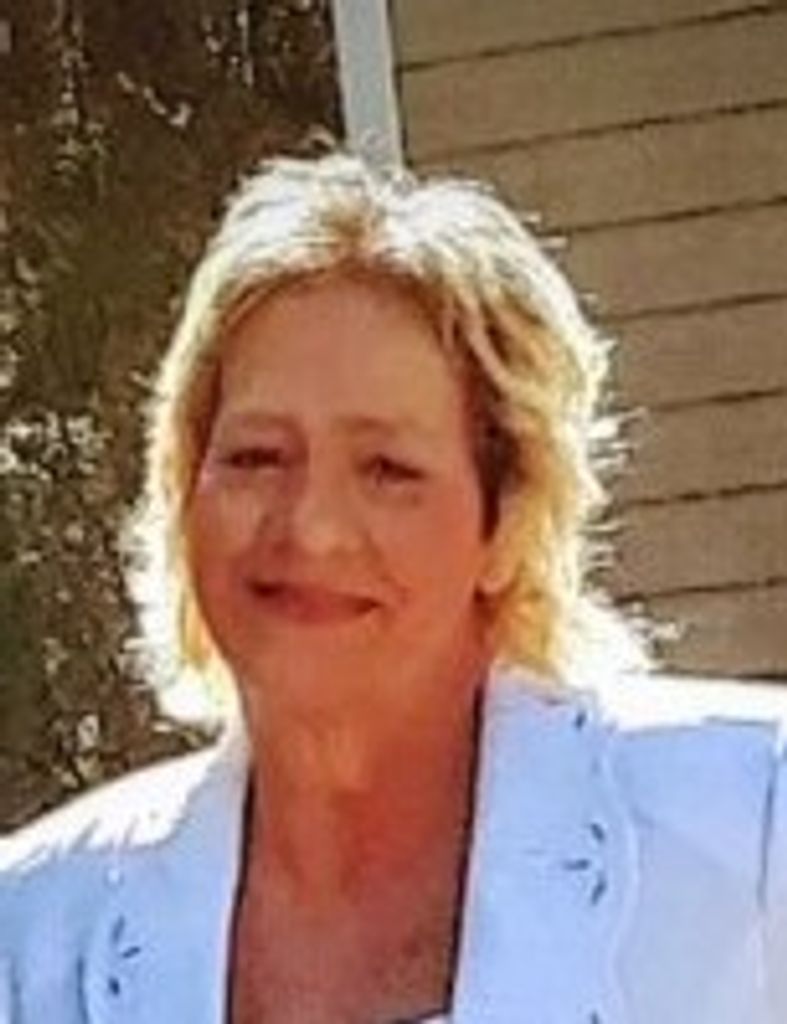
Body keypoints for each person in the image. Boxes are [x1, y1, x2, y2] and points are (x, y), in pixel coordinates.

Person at [1, 153, 787, 1024]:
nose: (310, 528)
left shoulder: (753, 822)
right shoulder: (33, 941)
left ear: (505, 521)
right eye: (257, 457)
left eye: (387, 470)